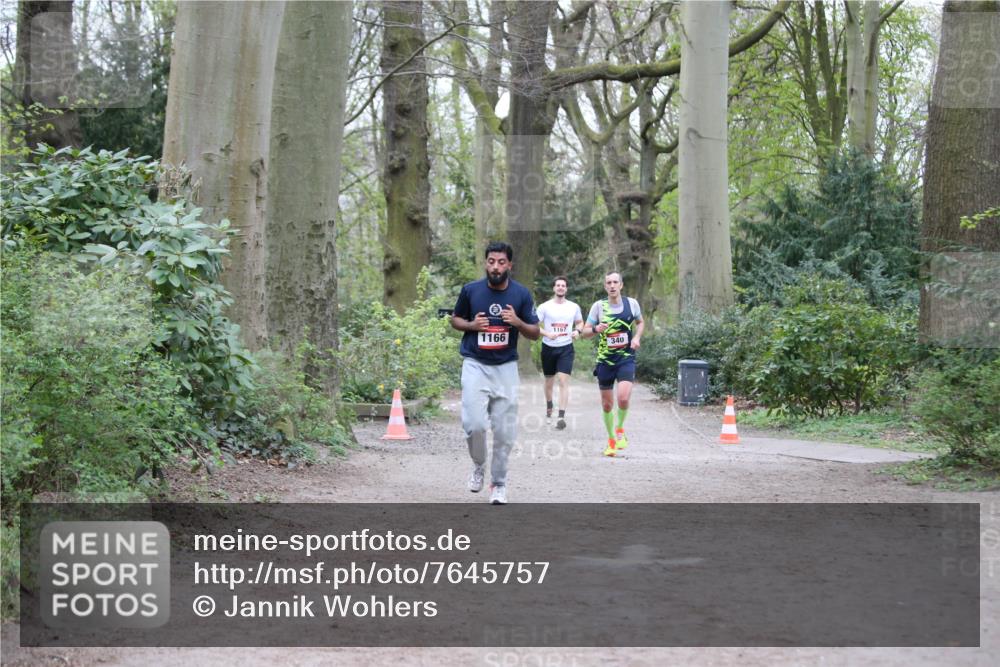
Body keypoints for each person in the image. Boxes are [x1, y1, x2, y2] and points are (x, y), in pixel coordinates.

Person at [451, 241, 540, 504]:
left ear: (510, 265)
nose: (496, 266)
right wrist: (471, 325)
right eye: (491, 261)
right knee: (474, 424)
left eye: (501, 262)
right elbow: (456, 319)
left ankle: (499, 483)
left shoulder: (521, 295)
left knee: (504, 431)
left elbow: (535, 333)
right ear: (486, 263)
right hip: (475, 364)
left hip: (505, 368)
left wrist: (518, 322)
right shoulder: (471, 291)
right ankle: (479, 465)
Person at [581, 272, 644, 457]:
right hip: (605, 361)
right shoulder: (598, 307)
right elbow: (585, 332)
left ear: (621, 285)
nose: (612, 285)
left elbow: (640, 323)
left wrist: (637, 338)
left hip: (626, 357)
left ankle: (620, 429)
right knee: (607, 405)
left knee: (623, 398)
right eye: (609, 282)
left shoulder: (631, 303)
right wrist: (595, 328)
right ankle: (610, 441)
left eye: (615, 282)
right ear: (605, 286)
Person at [536, 276, 584, 430]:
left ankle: (561, 417)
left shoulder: (573, 307)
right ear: (554, 288)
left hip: (566, 347)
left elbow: (580, 322)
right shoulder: (544, 307)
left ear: (566, 289)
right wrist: (547, 334)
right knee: (549, 381)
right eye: (558, 285)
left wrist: (578, 331)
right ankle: (549, 404)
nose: (561, 288)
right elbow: (534, 326)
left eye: (563, 285)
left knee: (563, 382)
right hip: (548, 348)